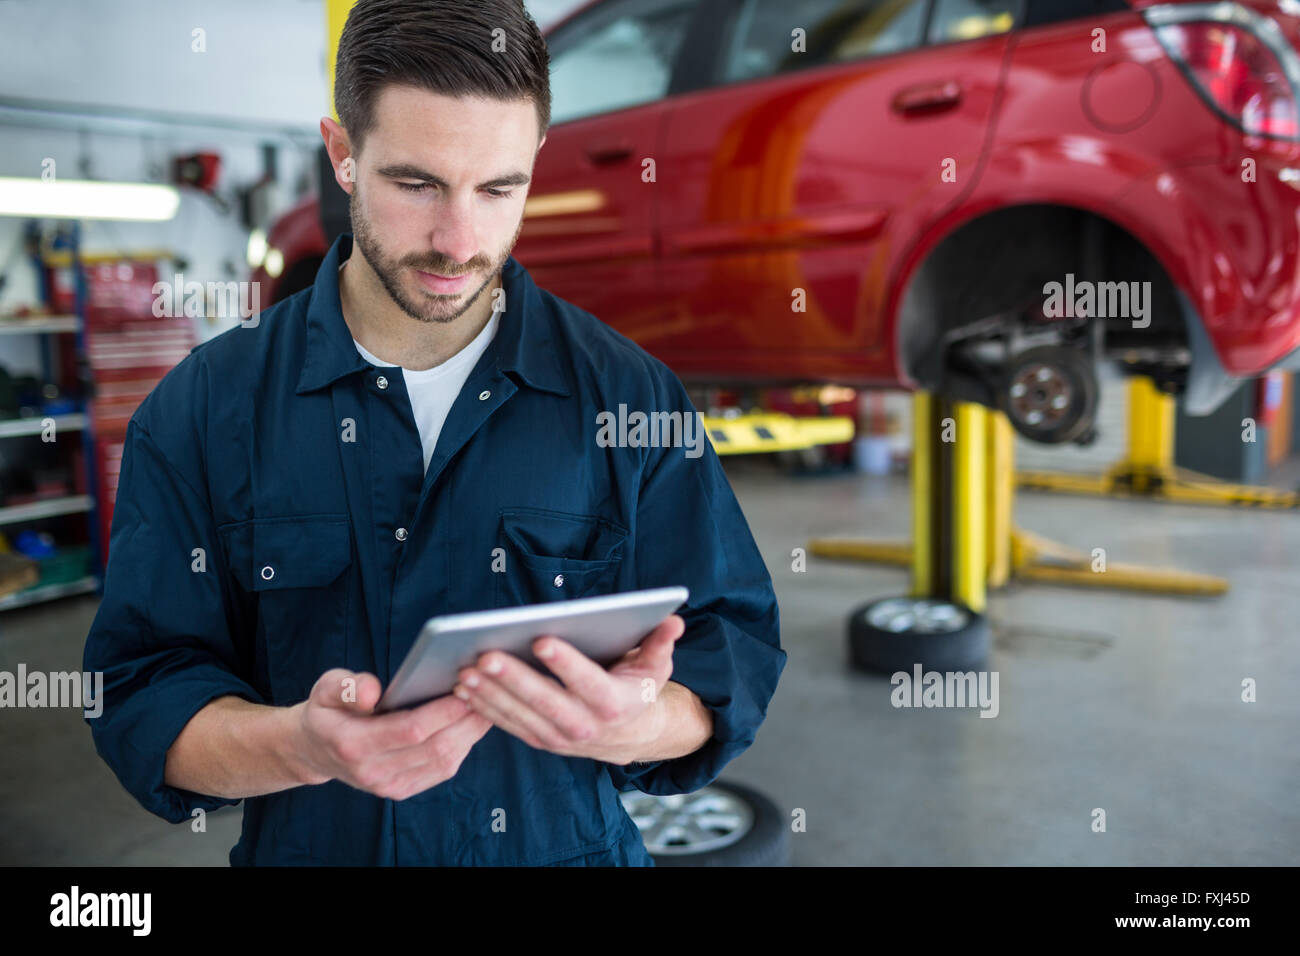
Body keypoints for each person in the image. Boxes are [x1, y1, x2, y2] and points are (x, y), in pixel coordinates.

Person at [83, 0, 785, 865]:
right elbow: (141, 695)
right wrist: (301, 745)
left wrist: (632, 725)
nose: (459, 240)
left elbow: (731, 659)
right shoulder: (201, 411)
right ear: (343, 155)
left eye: (499, 189)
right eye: (416, 184)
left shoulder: (630, 398)